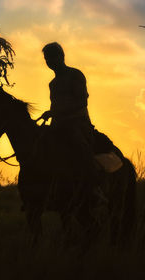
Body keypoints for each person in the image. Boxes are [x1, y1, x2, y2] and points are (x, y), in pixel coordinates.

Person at [37, 42, 97, 185]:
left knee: (81, 148)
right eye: (47, 58)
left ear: (61, 56)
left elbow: (82, 102)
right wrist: (52, 113)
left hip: (78, 124)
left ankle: (93, 185)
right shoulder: (53, 83)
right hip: (57, 125)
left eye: (52, 57)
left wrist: (54, 112)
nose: (49, 61)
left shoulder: (75, 75)